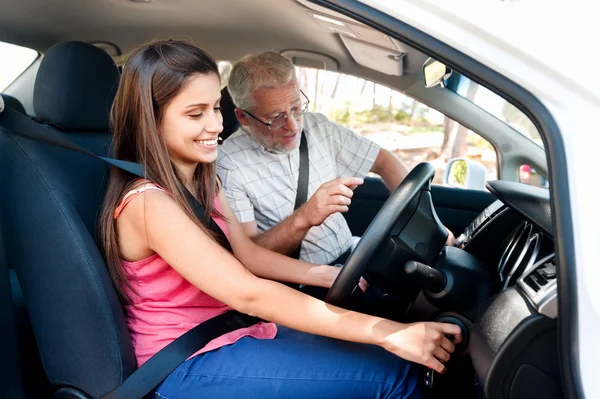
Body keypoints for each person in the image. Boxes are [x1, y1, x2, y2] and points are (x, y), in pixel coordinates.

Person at [99, 39, 461, 399]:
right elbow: (248, 292)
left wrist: (321, 273)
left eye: (214, 108)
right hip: (186, 360)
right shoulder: (148, 203)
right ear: (151, 117)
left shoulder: (204, 179)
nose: (214, 126)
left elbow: (248, 256)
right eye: (196, 114)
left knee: (386, 358)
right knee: (396, 376)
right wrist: (386, 332)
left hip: (235, 331)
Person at [217, 51, 455, 269]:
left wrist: (431, 223)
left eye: (296, 108)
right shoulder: (229, 164)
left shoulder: (317, 126)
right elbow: (250, 256)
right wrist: (305, 217)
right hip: (306, 285)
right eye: (276, 118)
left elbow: (383, 161)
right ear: (243, 117)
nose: (293, 125)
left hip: (354, 254)